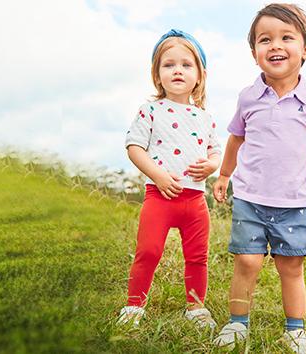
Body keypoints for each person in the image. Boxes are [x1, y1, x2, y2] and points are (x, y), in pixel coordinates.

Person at [212, 4, 306, 353]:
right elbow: (236, 139)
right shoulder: (248, 97)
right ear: (254, 53)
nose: (275, 46)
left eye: (287, 38)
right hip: (250, 197)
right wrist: (224, 174)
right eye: (264, 39)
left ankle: (295, 330)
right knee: (247, 261)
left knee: (291, 265)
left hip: (293, 203)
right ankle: (237, 324)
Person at [117, 29, 221, 329]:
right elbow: (134, 147)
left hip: (194, 201)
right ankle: (134, 306)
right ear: (157, 74)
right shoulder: (150, 109)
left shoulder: (205, 117)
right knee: (148, 251)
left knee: (198, 256)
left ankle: (196, 308)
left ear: (200, 75)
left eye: (187, 65)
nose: (178, 70)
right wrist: (159, 176)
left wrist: (212, 166)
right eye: (169, 64)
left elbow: (216, 151)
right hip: (159, 197)